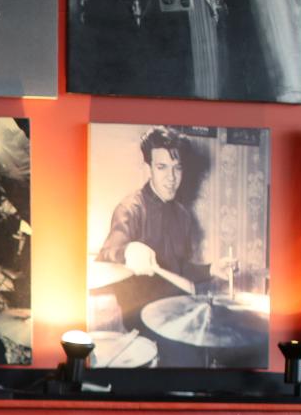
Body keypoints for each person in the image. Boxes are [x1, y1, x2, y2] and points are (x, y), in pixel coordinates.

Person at [95, 127, 238, 320]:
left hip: (177, 314)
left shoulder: (183, 215)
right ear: (148, 169)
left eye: (177, 168)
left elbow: (179, 268)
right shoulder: (130, 208)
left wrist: (211, 269)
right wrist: (128, 250)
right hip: (143, 322)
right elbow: (107, 254)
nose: (171, 178)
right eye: (162, 167)